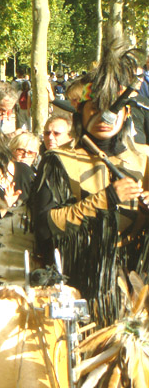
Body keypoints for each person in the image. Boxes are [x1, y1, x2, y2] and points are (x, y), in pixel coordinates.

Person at [32, 41, 149, 329]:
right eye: (94, 107)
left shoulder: (144, 160)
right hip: (78, 283)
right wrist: (106, 198)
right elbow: (45, 227)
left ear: (125, 114)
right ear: (80, 113)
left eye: (112, 108)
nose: (103, 117)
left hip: (135, 289)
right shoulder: (58, 160)